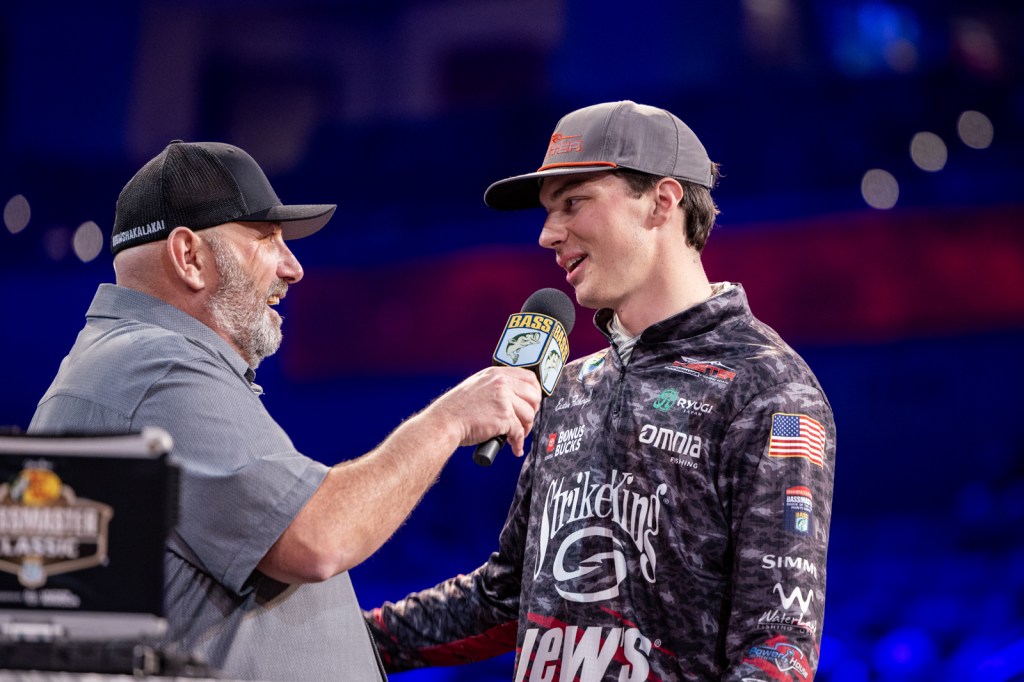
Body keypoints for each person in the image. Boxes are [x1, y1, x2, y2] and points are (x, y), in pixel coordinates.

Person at [28, 140, 542, 681]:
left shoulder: (125, 365)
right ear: (189, 257)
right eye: (266, 239)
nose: (293, 267)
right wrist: (449, 420)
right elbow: (318, 538)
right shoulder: (155, 369)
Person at [364, 101, 837, 681]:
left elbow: (778, 644)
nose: (547, 235)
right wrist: (339, 638)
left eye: (573, 203)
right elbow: (505, 598)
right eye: (548, 212)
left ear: (662, 201)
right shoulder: (568, 385)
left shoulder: (770, 388)